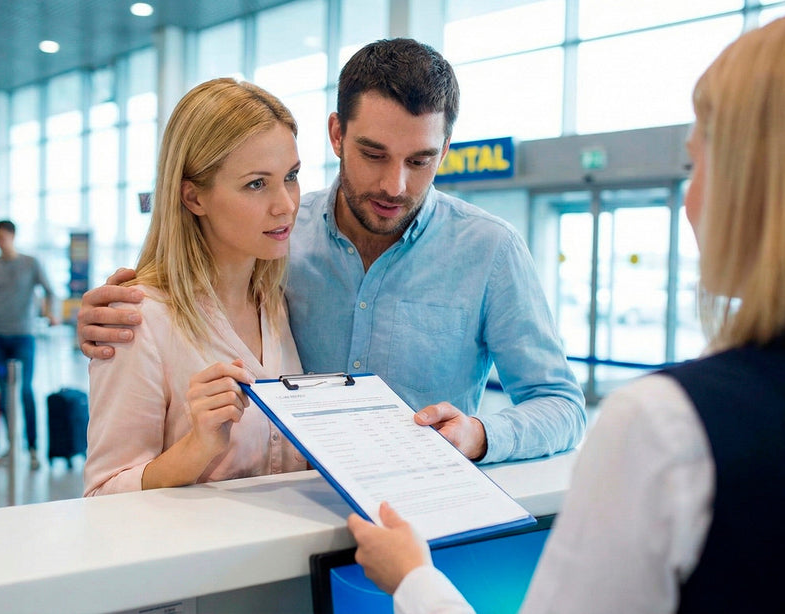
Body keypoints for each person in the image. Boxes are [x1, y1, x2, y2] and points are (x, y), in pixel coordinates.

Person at [346, 3, 785, 613]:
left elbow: (557, 403)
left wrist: (412, 579)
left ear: (763, 189)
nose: (690, 201)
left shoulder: (668, 428)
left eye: (698, 164)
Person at [77, 38, 586, 464]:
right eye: (373, 154)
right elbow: (187, 284)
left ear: (445, 150)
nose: (395, 184)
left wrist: (478, 435)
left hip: (421, 522)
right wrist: (115, 314)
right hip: (296, 523)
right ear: (337, 134)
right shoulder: (278, 236)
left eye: (421, 160)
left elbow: (561, 405)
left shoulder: (489, 250)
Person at [83, 78, 306, 496]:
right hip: (197, 561)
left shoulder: (276, 303)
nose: (286, 205)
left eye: (291, 176)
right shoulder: (139, 319)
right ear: (193, 197)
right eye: (256, 184)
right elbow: (101, 493)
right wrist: (196, 447)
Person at [0, 219, 58, 470]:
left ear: (13, 236)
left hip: (22, 334)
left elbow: (50, 291)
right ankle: (12, 444)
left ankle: (33, 447)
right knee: (4, 393)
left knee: (25, 391)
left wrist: (50, 312)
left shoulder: (30, 264)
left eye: (3, 237)